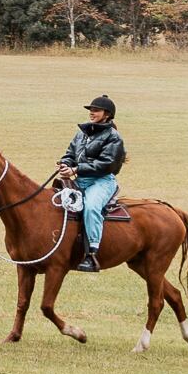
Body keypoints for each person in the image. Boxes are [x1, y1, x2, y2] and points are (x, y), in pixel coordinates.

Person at [55, 93, 126, 272]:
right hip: (80, 180)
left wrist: (76, 169)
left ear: (107, 114)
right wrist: (65, 164)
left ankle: (91, 253)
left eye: (96, 110)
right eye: (91, 110)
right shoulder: (81, 134)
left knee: (92, 206)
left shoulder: (113, 137)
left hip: (102, 181)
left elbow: (107, 163)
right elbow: (70, 153)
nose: (92, 112)